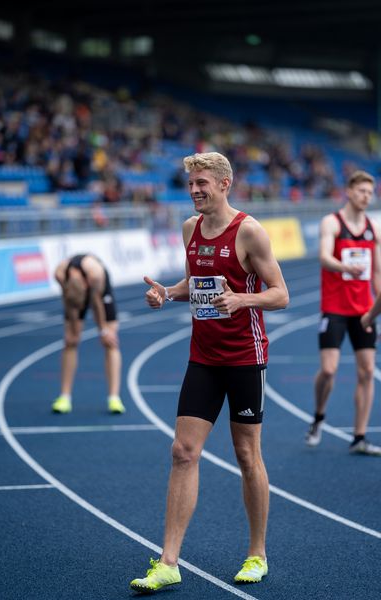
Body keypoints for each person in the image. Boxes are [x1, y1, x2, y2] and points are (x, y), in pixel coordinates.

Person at [130, 152, 289, 593]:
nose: (195, 190)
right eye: (191, 184)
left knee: (245, 455)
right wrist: (167, 293)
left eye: (202, 183)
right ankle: (168, 562)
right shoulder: (190, 230)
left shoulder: (249, 231)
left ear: (224, 184)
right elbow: (193, 285)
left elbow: (280, 295)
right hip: (203, 356)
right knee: (182, 451)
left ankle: (257, 554)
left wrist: (242, 300)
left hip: (244, 357)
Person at [305, 170, 381, 455]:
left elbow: (377, 273)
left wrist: (376, 310)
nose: (366, 196)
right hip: (335, 308)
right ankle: (318, 416)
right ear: (348, 191)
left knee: (367, 371)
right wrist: (344, 266)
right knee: (329, 369)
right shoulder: (332, 222)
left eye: (370, 193)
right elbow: (324, 257)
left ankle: (359, 436)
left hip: (363, 311)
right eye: (361, 191)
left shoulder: (374, 228)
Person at [51, 254, 125, 415]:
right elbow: (68, 300)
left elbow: (96, 303)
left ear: (85, 286)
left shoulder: (95, 275)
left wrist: (103, 331)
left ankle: (114, 398)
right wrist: (74, 331)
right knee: (70, 342)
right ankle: (64, 397)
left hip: (100, 293)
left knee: (110, 341)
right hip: (73, 295)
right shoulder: (60, 274)